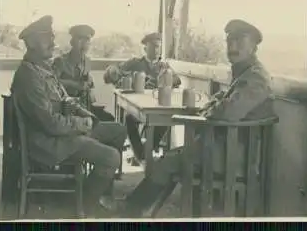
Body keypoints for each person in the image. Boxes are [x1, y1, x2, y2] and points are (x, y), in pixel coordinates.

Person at [119, 19, 277, 217]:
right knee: (173, 156)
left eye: (239, 40)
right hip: (226, 148)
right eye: (229, 41)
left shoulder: (256, 78)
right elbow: (221, 103)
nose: (232, 46)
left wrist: (212, 108)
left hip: (232, 157)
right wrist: (215, 105)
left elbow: (228, 112)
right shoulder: (245, 73)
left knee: (166, 162)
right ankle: (138, 209)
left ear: (254, 46)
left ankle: (131, 209)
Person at [10, 15, 127, 217]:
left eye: (52, 38)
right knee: (112, 157)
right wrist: (81, 124)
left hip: (63, 133)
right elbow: (50, 123)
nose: (54, 43)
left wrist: (87, 115)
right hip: (49, 142)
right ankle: (83, 204)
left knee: (118, 130)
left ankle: (96, 190)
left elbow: (65, 99)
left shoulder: (43, 68)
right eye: (48, 39)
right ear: (31, 44)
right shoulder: (29, 76)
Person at [103, 32, 182, 162]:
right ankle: (140, 154)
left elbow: (177, 81)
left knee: (165, 121)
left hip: (157, 107)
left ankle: (146, 150)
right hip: (138, 107)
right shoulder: (135, 63)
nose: (156, 50)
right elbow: (112, 74)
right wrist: (117, 73)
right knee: (128, 119)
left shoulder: (163, 66)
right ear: (145, 48)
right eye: (153, 46)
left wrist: (164, 80)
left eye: (158, 47)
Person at [53, 24, 116, 122]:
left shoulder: (87, 61)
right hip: (66, 109)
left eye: (87, 40)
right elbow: (52, 83)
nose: (84, 44)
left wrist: (89, 83)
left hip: (84, 107)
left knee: (110, 119)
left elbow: (86, 83)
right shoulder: (60, 61)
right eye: (80, 39)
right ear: (72, 42)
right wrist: (74, 84)